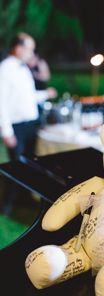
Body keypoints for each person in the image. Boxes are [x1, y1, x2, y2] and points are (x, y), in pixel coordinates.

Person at [0, 32, 57, 215]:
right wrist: (6, 132)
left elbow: (27, 97)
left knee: (29, 165)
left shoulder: (24, 69)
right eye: (29, 49)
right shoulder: (5, 69)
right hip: (16, 127)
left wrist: (44, 94)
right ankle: (6, 207)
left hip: (30, 124)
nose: (31, 53)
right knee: (17, 167)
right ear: (18, 48)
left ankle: (24, 200)